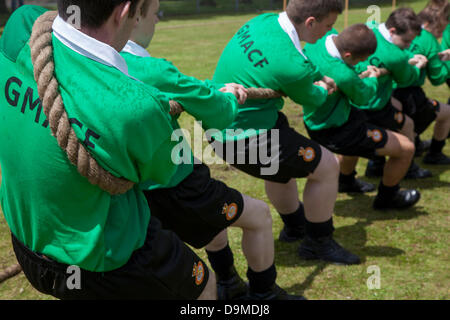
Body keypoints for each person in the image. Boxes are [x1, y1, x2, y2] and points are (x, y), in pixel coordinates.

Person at [0, 1, 215, 300]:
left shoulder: (19, 28)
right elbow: (162, 173)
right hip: (103, 262)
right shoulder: (136, 108)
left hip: (27, 243)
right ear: (125, 11)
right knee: (204, 285)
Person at [121, 0, 302, 300]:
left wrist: (207, 90)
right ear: (134, 16)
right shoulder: (151, 69)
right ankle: (263, 295)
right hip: (176, 181)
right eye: (155, 14)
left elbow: (192, 90)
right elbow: (217, 112)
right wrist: (229, 95)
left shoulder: (96, 64)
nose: (158, 21)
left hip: (137, 188)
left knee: (210, 221)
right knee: (259, 217)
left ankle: (229, 281)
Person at [210, 0, 360, 265]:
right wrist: (324, 87)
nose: (330, 32)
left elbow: (301, 60)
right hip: (245, 137)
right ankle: (318, 242)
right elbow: (313, 99)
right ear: (311, 22)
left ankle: (295, 227)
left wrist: (318, 74)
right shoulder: (290, 66)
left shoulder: (261, 21)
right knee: (327, 167)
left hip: (223, 127)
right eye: (328, 26)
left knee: (278, 172)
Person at [303, 25, 420, 210]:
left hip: (320, 120)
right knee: (406, 148)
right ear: (348, 55)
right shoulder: (343, 74)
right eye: (360, 60)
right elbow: (364, 96)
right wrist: (372, 77)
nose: (361, 65)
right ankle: (387, 198)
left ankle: (346, 181)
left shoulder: (317, 42)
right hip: (337, 130)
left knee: (357, 133)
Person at [357, 8, 433, 180]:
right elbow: (406, 78)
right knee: (406, 126)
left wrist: (407, 57)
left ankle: (369, 168)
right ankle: (408, 168)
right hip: (373, 106)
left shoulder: (368, 30)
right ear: (392, 31)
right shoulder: (394, 55)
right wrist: (417, 65)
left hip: (354, 101)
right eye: (406, 41)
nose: (408, 46)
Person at [392, 2, 450, 165]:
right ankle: (435, 153)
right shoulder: (429, 39)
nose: (440, 34)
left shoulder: (399, 30)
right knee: (446, 113)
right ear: (434, 23)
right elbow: (438, 78)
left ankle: (378, 162)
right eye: (440, 29)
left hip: (386, 90)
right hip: (408, 93)